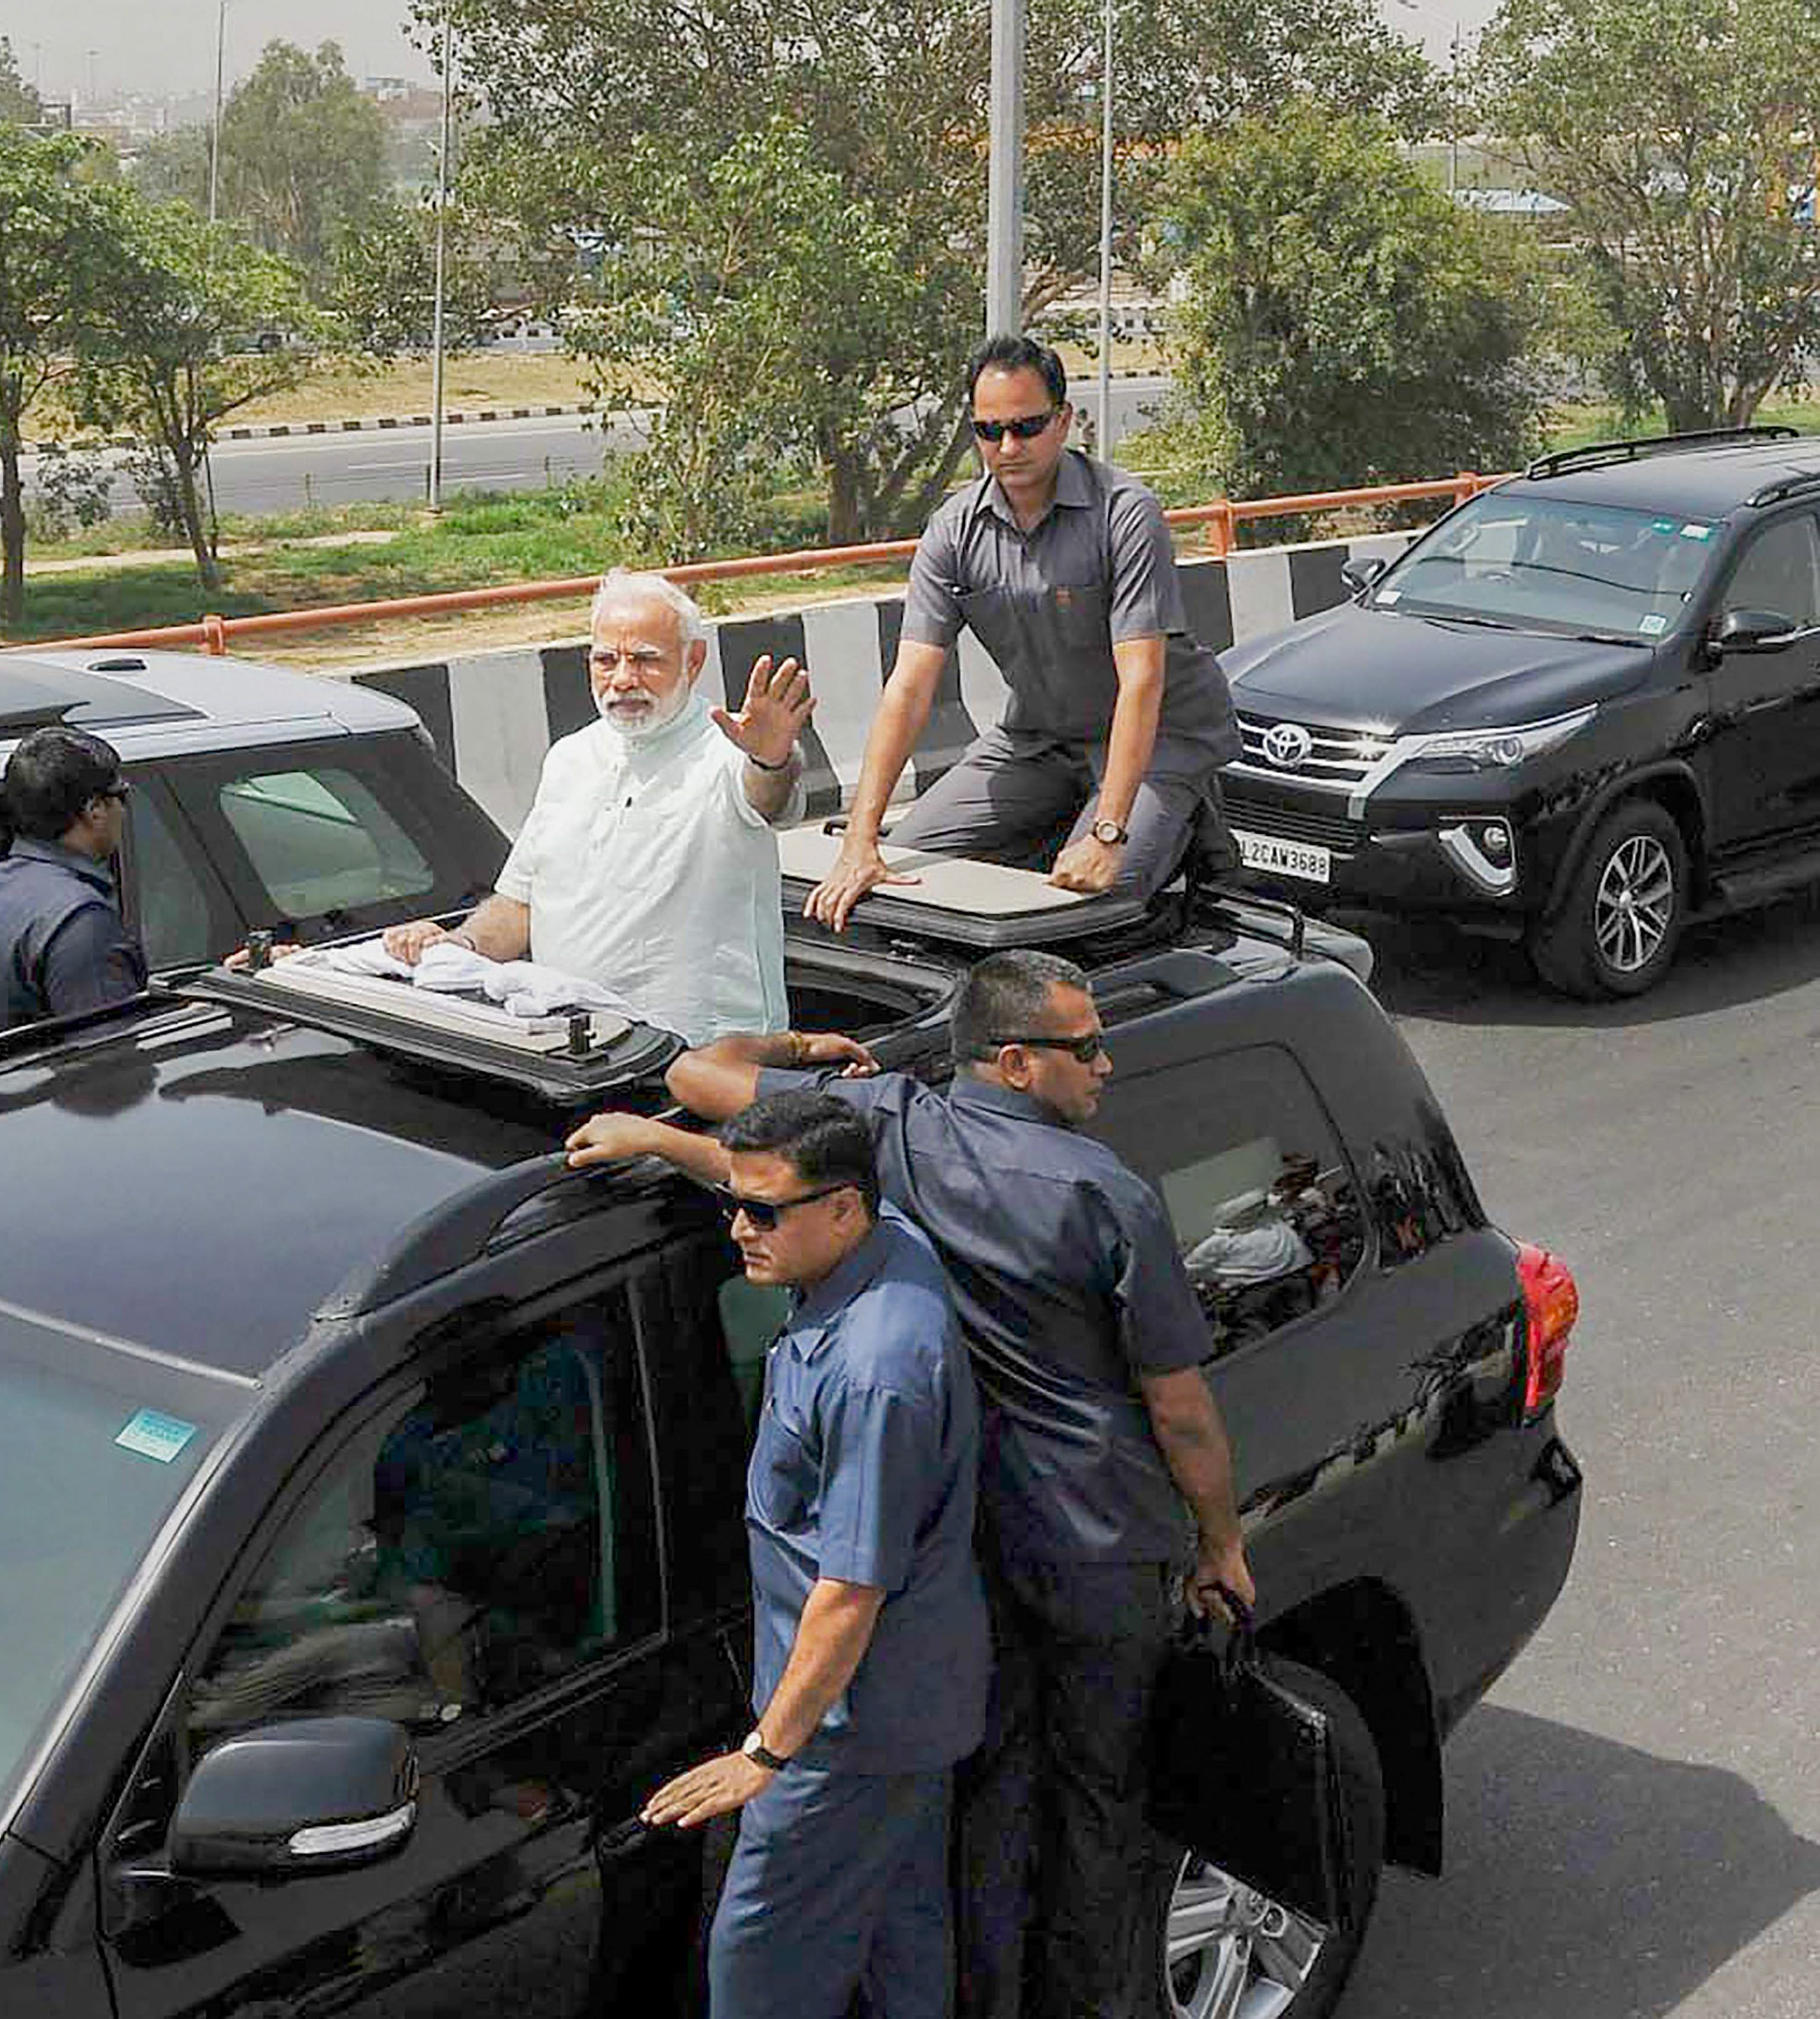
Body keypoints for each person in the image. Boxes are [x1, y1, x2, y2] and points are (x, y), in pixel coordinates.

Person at [570, 948, 1255, 2019]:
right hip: (1097, 1539)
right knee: (1098, 1808)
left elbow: (704, 1077)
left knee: (992, 1802)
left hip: (977, 1541)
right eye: (1087, 1047)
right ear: (1019, 1062)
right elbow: (1178, 1405)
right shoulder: (1105, 1191)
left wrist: (687, 1120)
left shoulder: (891, 1124)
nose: (1106, 1065)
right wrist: (1221, 1541)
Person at [636, 1089, 984, 2019]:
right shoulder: (878, 1236)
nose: (738, 1230)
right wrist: (658, 1141)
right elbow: (768, 1181)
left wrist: (765, 1756)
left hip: (845, 1730)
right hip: (909, 1710)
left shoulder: (876, 1373)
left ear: (843, 1208)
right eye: (732, 1205)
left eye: (760, 1213)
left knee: (760, 1975)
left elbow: (850, 1592)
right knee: (899, 1944)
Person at [809, 335, 1239, 928]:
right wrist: (861, 842)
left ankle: (1182, 829)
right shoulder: (955, 530)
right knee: (907, 866)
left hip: (1159, 738)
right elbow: (909, 687)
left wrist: (1110, 833)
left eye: (1027, 426)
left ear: (1063, 421)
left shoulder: (1125, 512)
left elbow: (1142, 679)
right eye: (990, 431)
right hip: (1035, 739)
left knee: (1090, 902)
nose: (1008, 447)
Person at [375, 566, 812, 1043]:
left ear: (693, 661)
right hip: (581, 1049)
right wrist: (458, 945)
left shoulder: (728, 752)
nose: (623, 679)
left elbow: (768, 797)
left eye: (646, 660)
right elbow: (522, 904)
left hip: (705, 1056)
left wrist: (770, 760)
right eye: (607, 660)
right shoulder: (569, 759)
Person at [0, 726, 149, 1045]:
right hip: (58, 1095)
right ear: (95, 810)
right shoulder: (80, 922)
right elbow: (114, 1064)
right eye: (121, 796)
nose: (125, 812)